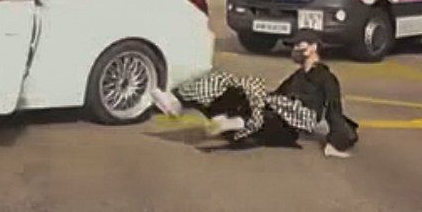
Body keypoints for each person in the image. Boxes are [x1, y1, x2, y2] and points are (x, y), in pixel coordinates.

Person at [149, 32, 359, 157]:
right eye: (293, 46)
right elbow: (275, 96)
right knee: (227, 82)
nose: (294, 49)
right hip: (272, 113)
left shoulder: (326, 77)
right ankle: (178, 102)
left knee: (261, 103)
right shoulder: (296, 76)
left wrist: (336, 143)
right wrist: (246, 96)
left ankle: (234, 122)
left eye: (299, 45)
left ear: (313, 47)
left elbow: (334, 110)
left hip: (291, 122)